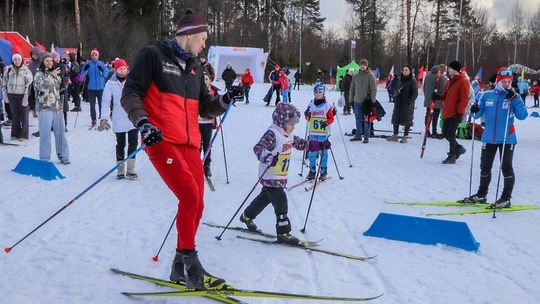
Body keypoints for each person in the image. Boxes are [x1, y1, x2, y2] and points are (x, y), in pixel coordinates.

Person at [120, 9, 242, 290]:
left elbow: (204, 107)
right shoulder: (153, 55)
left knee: (198, 202)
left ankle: (178, 264)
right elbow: (131, 93)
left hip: (190, 143)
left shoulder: (196, 67)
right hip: (161, 139)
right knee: (188, 194)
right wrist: (143, 124)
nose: (204, 44)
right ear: (187, 35)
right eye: (202, 38)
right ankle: (191, 262)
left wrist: (224, 100)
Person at [239, 103, 310, 245]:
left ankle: (247, 216)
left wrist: (314, 145)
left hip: (279, 176)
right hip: (270, 175)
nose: (294, 127)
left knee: (264, 198)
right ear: (282, 122)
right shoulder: (272, 134)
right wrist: (268, 157)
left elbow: (298, 143)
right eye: (291, 124)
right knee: (280, 200)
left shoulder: (288, 133)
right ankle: (283, 232)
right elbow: (258, 148)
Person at [460, 67, 528, 208]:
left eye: (509, 82)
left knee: (506, 168)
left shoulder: (513, 97)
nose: (507, 84)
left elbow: (523, 116)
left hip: (506, 138)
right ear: (498, 81)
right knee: (485, 167)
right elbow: (477, 115)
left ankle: (505, 198)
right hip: (489, 137)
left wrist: (516, 99)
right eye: (504, 81)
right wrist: (475, 110)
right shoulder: (487, 95)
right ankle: (481, 194)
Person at [99, 59, 138, 179]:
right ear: (115, 70)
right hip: (118, 116)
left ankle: (131, 169)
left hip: (133, 116)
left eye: (124, 68)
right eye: (120, 68)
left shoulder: (133, 80)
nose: (123, 70)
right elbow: (106, 101)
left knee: (133, 143)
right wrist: (104, 118)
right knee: (120, 143)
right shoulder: (110, 83)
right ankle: (120, 169)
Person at [34, 52, 70, 164]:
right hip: (44, 107)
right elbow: (41, 87)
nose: (49, 63)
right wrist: (52, 76)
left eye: (51, 61)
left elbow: (59, 88)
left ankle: (63, 155)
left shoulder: (56, 73)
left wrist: (64, 83)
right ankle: (44, 158)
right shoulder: (39, 74)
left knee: (60, 133)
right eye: (47, 61)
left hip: (56, 107)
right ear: (43, 62)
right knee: (45, 134)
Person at [432, 60, 469, 164]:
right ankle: (458, 148)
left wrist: (460, 112)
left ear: (455, 69)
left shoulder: (463, 81)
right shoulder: (450, 82)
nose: (448, 70)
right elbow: (446, 96)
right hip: (447, 111)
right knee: (445, 132)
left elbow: (464, 98)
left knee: (451, 133)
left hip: (455, 112)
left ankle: (452, 154)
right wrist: (438, 97)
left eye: (450, 68)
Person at [304, 83, 334, 180]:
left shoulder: (327, 105)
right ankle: (312, 171)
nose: (318, 94)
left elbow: (331, 118)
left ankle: (323, 171)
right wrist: (307, 114)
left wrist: (326, 122)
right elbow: (308, 118)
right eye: (316, 92)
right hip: (313, 133)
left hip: (323, 134)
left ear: (323, 93)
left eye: (320, 92)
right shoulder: (311, 103)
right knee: (312, 153)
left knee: (323, 153)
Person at [2, 53, 33, 141]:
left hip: (22, 95)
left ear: (21, 60)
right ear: (12, 60)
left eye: (18, 59)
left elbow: (29, 83)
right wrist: (5, 93)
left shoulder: (26, 70)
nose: (17, 61)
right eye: (15, 60)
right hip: (12, 95)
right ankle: (15, 134)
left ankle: (24, 134)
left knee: (24, 115)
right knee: (15, 115)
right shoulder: (8, 70)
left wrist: (26, 95)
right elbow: (4, 82)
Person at [386, 65, 418, 144]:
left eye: (406, 70)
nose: (404, 71)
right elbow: (396, 89)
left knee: (407, 120)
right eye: (403, 70)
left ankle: (405, 136)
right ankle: (395, 135)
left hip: (407, 104)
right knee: (395, 118)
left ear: (410, 71)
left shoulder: (412, 81)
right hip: (398, 103)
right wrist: (395, 97)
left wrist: (409, 101)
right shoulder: (400, 80)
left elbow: (415, 93)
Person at [349, 59, 377, 143]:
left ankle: (366, 136)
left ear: (367, 66)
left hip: (366, 102)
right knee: (358, 119)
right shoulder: (356, 76)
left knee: (366, 119)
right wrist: (351, 100)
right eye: (361, 65)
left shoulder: (371, 76)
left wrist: (372, 101)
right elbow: (352, 89)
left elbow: (373, 89)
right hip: (357, 101)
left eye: (364, 65)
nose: (362, 66)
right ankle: (358, 135)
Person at [199, 72, 219, 177]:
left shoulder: (213, 91)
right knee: (197, 146)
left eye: (207, 79)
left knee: (207, 145)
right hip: (196, 122)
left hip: (208, 122)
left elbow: (217, 106)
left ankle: (206, 166)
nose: (205, 81)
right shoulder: (195, 90)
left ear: (210, 80)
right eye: (203, 79)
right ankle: (196, 165)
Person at [81, 48, 108, 126]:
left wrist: (102, 70)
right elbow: (83, 74)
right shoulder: (88, 63)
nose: (94, 57)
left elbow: (105, 75)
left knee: (101, 104)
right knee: (92, 105)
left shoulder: (101, 64)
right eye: (93, 55)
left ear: (98, 56)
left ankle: (101, 118)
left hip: (100, 87)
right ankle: (93, 119)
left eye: (95, 55)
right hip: (91, 87)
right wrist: (84, 69)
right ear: (91, 56)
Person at [422, 64, 447, 139]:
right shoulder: (441, 77)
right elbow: (443, 89)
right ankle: (434, 131)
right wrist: (442, 98)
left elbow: (424, 87)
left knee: (428, 114)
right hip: (437, 100)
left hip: (428, 99)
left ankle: (427, 131)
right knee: (435, 115)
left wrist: (427, 96)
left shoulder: (428, 75)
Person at [51, 52, 70, 130]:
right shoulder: (50, 66)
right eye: (56, 58)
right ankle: (53, 124)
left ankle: (64, 124)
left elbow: (66, 75)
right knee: (53, 107)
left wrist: (65, 79)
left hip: (62, 88)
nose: (57, 59)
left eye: (58, 57)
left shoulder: (62, 66)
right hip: (53, 89)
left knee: (63, 107)